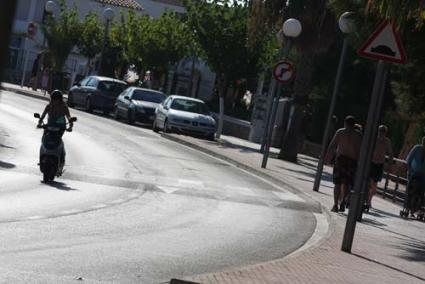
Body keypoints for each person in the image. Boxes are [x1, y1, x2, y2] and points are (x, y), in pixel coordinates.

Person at [325, 116, 362, 212]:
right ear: (354, 124)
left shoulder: (340, 132)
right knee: (347, 183)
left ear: (345, 123)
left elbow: (332, 145)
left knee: (337, 183)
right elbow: (360, 150)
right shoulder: (358, 135)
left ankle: (335, 204)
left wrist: (327, 156)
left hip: (340, 160)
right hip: (352, 161)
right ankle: (343, 201)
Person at [37, 90, 73, 169]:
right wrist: (39, 123)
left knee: (59, 140)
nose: (54, 101)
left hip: (60, 127)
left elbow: (69, 117)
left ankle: (62, 159)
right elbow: (43, 116)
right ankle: (43, 156)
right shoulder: (49, 106)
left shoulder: (64, 107)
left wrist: (70, 125)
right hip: (49, 126)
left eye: (57, 99)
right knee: (44, 139)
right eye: (53, 99)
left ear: (60, 99)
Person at [367, 125, 393, 209]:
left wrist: (390, 164)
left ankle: (369, 199)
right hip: (371, 163)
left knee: (374, 187)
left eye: (383, 131)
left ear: (385, 133)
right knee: (369, 183)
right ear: (378, 131)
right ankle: (366, 200)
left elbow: (390, 153)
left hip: (379, 164)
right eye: (380, 131)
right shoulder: (374, 139)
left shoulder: (387, 141)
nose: (381, 133)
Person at [405, 137, 425, 212]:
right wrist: (409, 170)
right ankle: (407, 208)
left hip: (423, 174)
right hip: (414, 173)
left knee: (422, 191)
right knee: (411, 190)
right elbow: (409, 159)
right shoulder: (417, 148)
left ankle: (419, 208)